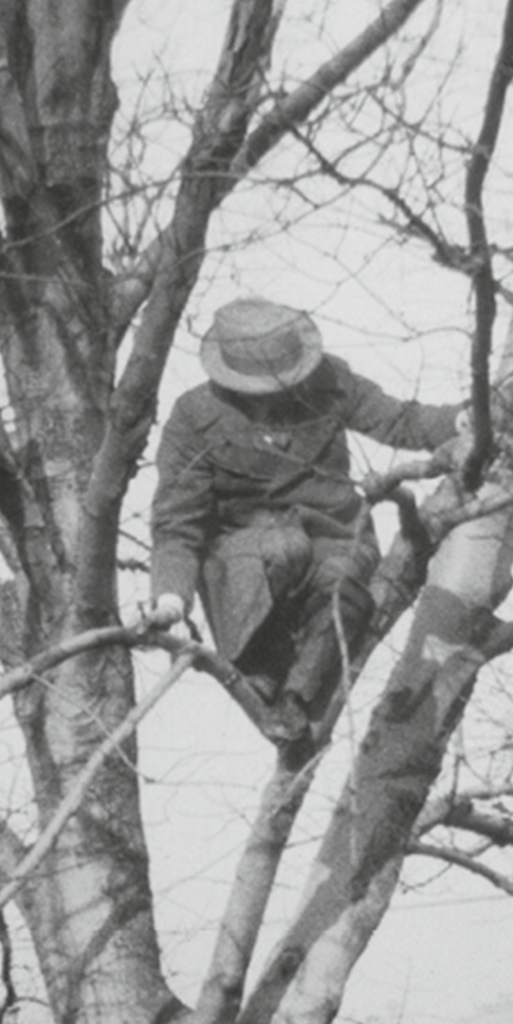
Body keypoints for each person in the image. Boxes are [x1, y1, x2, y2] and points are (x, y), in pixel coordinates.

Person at [148, 295, 464, 757]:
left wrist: (457, 419)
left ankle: (298, 698)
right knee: (283, 547)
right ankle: (262, 673)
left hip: (333, 535)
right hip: (243, 562)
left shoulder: (329, 382)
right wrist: (171, 596)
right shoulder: (194, 418)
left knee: (345, 579)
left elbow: (397, 419)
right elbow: (178, 523)